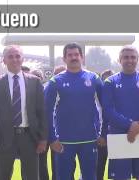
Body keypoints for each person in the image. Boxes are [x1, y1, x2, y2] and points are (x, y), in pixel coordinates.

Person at [0, 45, 47, 180]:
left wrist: (43, 138)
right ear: (4, 60)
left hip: (29, 137)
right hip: (4, 137)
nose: (15, 59)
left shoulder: (35, 82)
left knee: (31, 176)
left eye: (18, 56)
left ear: (22, 59)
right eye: (10, 56)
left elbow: (41, 112)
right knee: (3, 175)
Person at [45, 43, 102, 180]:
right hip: (64, 141)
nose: (73, 57)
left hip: (89, 139)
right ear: (64, 59)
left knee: (90, 177)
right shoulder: (55, 81)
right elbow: (46, 112)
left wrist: (102, 133)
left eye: (76, 54)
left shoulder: (94, 79)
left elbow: (105, 107)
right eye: (70, 55)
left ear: (82, 57)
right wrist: (52, 138)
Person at [102, 45, 139, 179]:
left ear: (138, 59)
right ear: (119, 60)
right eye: (125, 57)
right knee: (120, 177)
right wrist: (129, 125)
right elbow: (108, 109)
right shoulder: (110, 81)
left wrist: (138, 127)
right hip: (118, 135)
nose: (129, 60)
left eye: (133, 57)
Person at [96, 69, 114, 180]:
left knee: (117, 169)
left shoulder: (119, 94)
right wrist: (102, 134)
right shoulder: (98, 97)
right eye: (105, 80)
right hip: (102, 136)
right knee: (99, 168)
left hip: (117, 135)